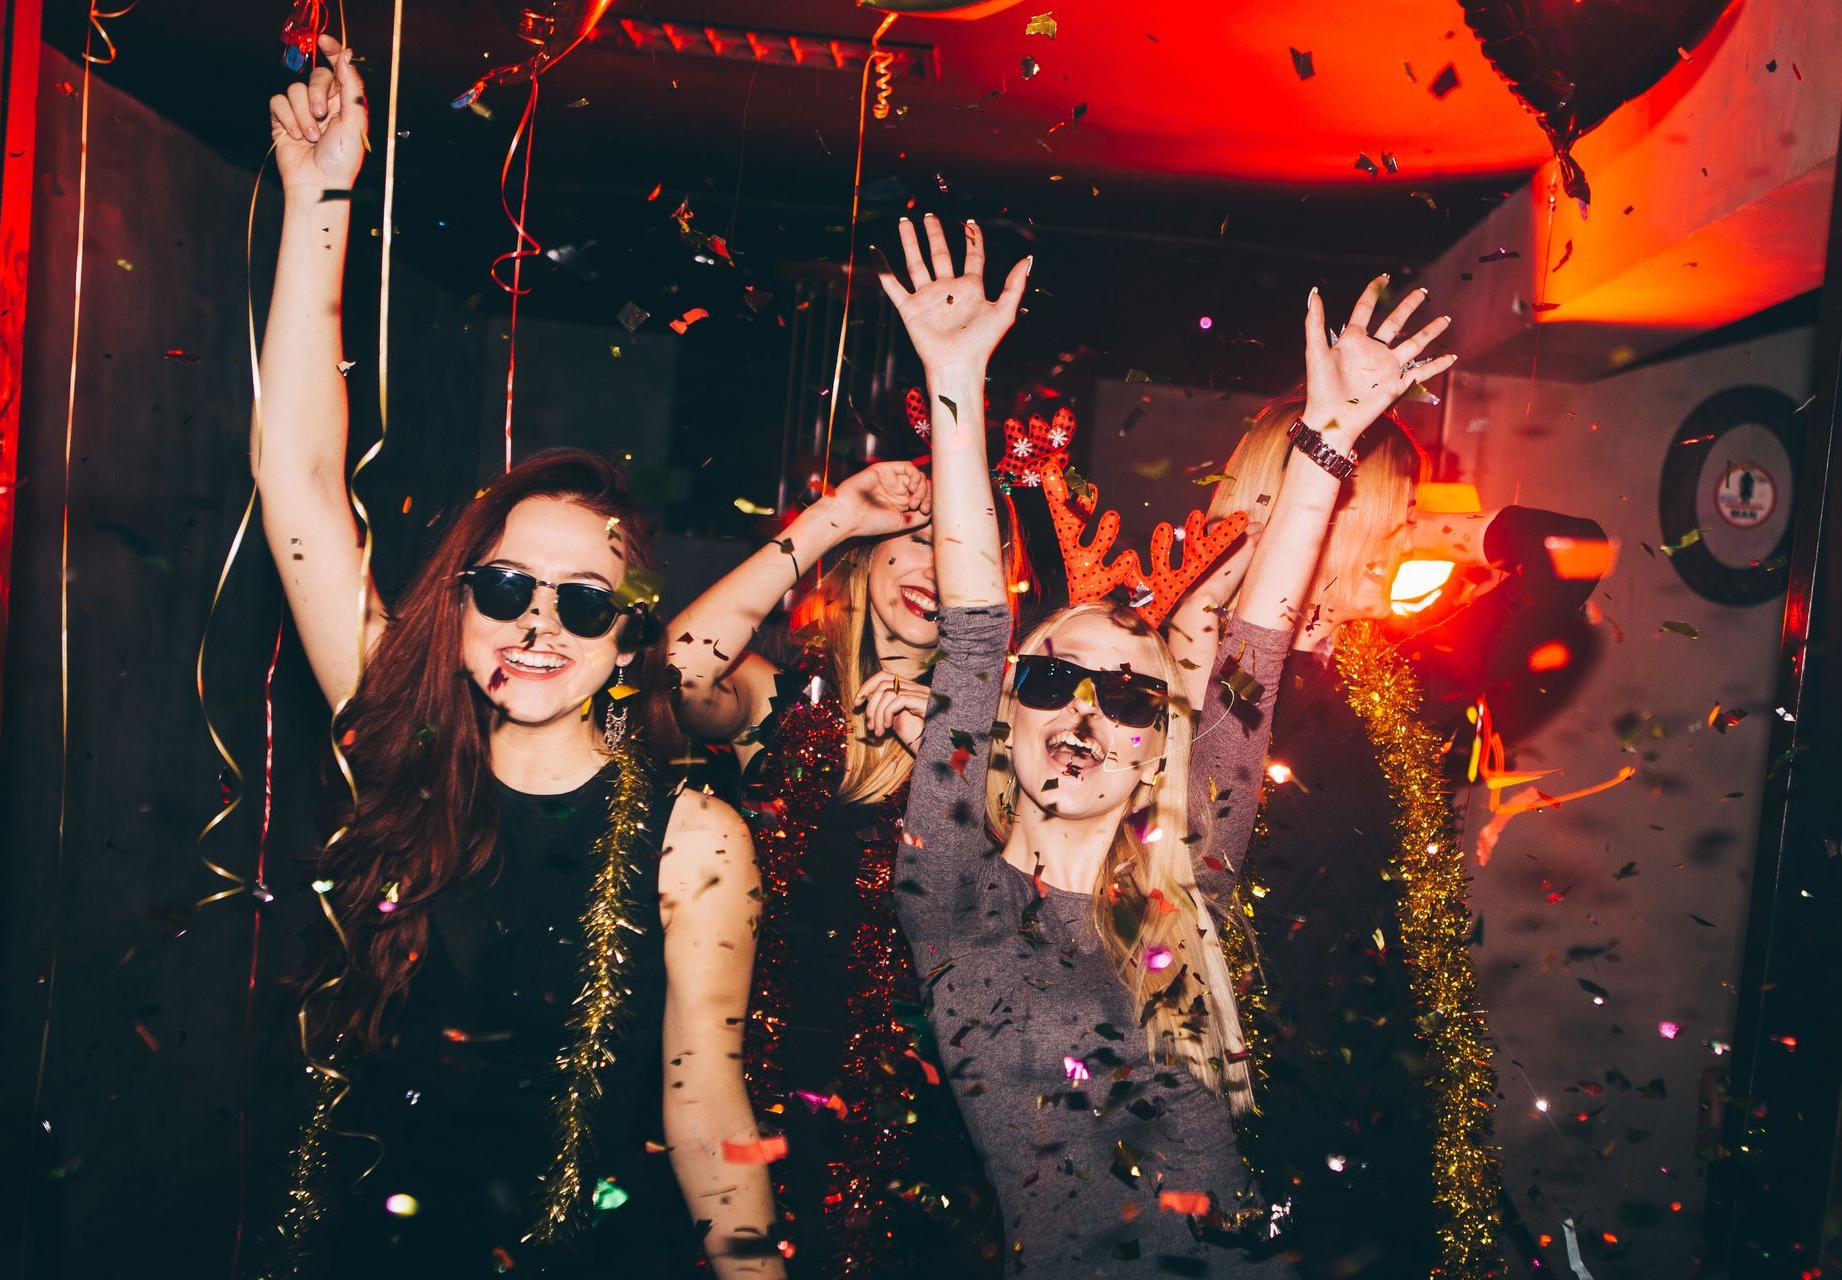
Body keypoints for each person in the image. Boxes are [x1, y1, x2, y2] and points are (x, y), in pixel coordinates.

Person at [248, 39, 777, 1278]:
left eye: (583, 604)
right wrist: (322, 199)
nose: (538, 625)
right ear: (465, 600)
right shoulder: (398, 734)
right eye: (506, 588)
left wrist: (754, 1267)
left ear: (634, 636)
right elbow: (298, 483)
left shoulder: (695, 834)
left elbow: (709, 1097)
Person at [880, 215, 1457, 1276]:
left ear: (1163, 750)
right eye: (1053, 678)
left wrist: (1328, 438)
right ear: (1005, 715)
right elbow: (972, 622)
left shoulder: (1192, 879)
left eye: (1132, 698)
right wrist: (954, 380)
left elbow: (1257, 643)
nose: (1088, 712)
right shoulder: (953, 890)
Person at [1170, 358, 1608, 1278]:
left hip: (1383, 1074)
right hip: (1247, 1085)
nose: (1406, 538)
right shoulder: (1193, 663)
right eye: (1390, 515)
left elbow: (1579, 555)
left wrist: (1455, 529)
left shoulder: (1392, 672)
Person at [666, 373, 1001, 1272]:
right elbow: (675, 680)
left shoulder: (1000, 743)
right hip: (733, 1082)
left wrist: (951, 742)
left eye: (955, 556)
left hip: (913, 1123)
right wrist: (834, 517)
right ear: (867, 557)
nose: (931, 570)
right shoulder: (777, 693)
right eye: (911, 543)